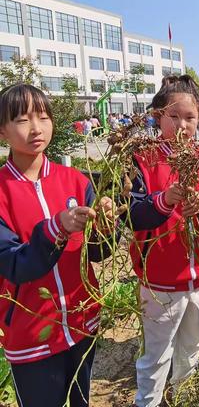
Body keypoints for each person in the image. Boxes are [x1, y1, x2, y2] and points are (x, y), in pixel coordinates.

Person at [0, 83, 115, 407]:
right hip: (31, 332)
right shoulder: (1, 193)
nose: (36, 128)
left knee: (81, 401)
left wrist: (105, 228)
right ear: (2, 132)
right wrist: (55, 228)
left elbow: (97, 253)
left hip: (82, 322)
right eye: (22, 120)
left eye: (43, 117)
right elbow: (14, 264)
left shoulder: (76, 180)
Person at [128, 75, 199, 407]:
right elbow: (131, 214)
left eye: (190, 118)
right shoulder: (141, 159)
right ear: (158, 116)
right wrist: (164, 200)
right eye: (173, 117)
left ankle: (183, 399)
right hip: (160, 281)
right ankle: (147, 402)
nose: (182, 125)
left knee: (191, 350)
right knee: (156, 357)